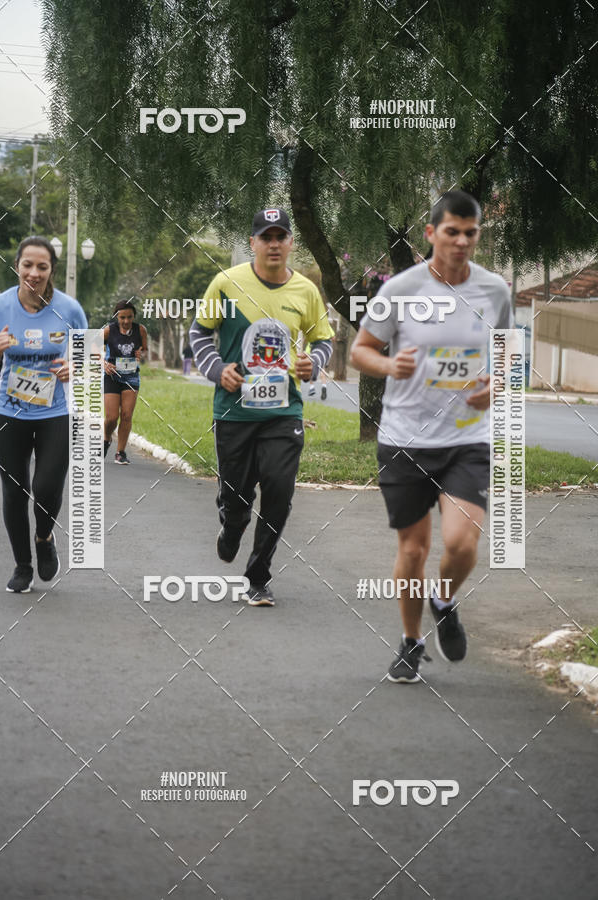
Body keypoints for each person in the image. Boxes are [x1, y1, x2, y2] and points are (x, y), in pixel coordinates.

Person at [350, 189, 513, 682]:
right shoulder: (401, 290)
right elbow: (361, 350)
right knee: (414, 550)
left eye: (471, 233)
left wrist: (498, 384)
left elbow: (506, 354)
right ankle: (409, 640)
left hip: (467, 437)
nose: (462, 241)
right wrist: (388, 364)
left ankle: (444, 600)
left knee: (463, 544)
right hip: (405, 437)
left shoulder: (494, 292)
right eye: (452, 232)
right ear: (431, 234)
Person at [189, 207, 334, 606]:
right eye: (265, 237)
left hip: (283, 412)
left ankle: (258, 576)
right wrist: (217, 370)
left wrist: (313, 363)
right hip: (233, 412)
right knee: (236, 497)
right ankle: (232, 524)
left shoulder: (305, 290)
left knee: (278, 490)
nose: (273, 244)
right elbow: (200, 334)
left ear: (290, 243)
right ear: (252, 243)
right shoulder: (226, 284)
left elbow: (323, 340)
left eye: (280, 236)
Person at [0, 235, 87, 592]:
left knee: (47, 486)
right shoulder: (1, 306)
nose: (34, 273)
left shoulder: (69, 309)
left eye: (42, 267)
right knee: (14, 491)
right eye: (27, 265)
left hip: (55, 412)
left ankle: (44, 536)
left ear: (51, 271)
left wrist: (75, 366)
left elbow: (90, 357)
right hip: (7, 411)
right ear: (17, 266)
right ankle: (22, 565)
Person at [103, 300, 147, 464]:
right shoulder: (109, 330)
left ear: (134, 316)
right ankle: (106, 438)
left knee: (127, 415)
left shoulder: (141, 330)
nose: (126, 321)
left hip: (131, 376)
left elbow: (144, 349)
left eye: (129, 317)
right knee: (112, 418)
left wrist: (141, 353)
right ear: (117, 317)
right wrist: (103, 363)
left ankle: (120, 452)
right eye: (122, 317)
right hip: (112, 376)